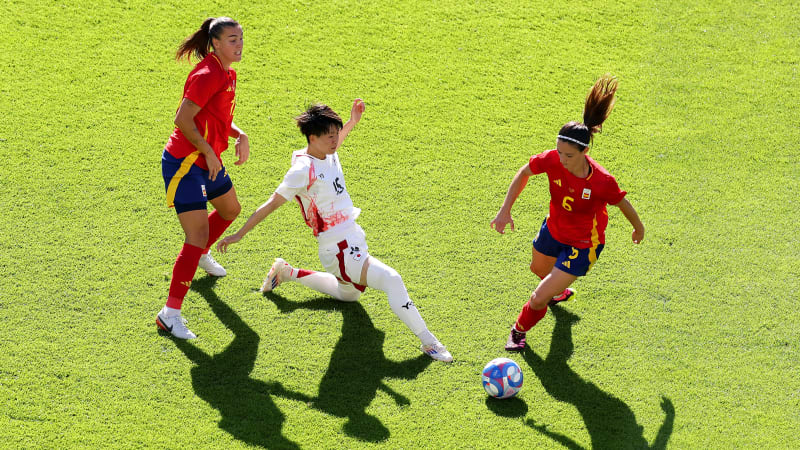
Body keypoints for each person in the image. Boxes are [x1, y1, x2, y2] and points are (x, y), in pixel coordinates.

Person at [217, 99, 453, 362]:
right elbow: (271, 204)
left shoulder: (327, 152)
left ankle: (286, 272)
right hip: (337, 248)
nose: (335, 140)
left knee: (349, 295)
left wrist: (352, 121)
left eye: (336, 134)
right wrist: (240, 234)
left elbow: (339, 141)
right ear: (313, 137)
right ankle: (429, 342)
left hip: (352, 236)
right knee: (392, 279)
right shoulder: (302, 170)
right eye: (330, 135)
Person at [490, 74, 645, 351]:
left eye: (568, 155)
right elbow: (524, 172)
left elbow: (622, 203)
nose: (561, 159)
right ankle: (558, 291)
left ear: (585, 151)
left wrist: (638, 228)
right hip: (553, 229)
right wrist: (505, 210)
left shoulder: (601, 181)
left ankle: (517, 332)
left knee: (538, 297)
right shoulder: (552, 159)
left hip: (583, 244)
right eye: (559, 152)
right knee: (538, 269)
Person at [156, 17, 249, 339]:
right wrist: (209, 152)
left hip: (206, 156)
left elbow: (217, 116)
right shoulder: (208, 74)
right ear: (216, 44)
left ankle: (201, 254)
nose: (239, 45)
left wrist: (240, 134)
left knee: (230, 209)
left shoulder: (227, 73)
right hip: (185, 162)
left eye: (240, 39)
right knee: (194, 235)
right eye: (232, 40)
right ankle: (170, 314)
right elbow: (183, 118)